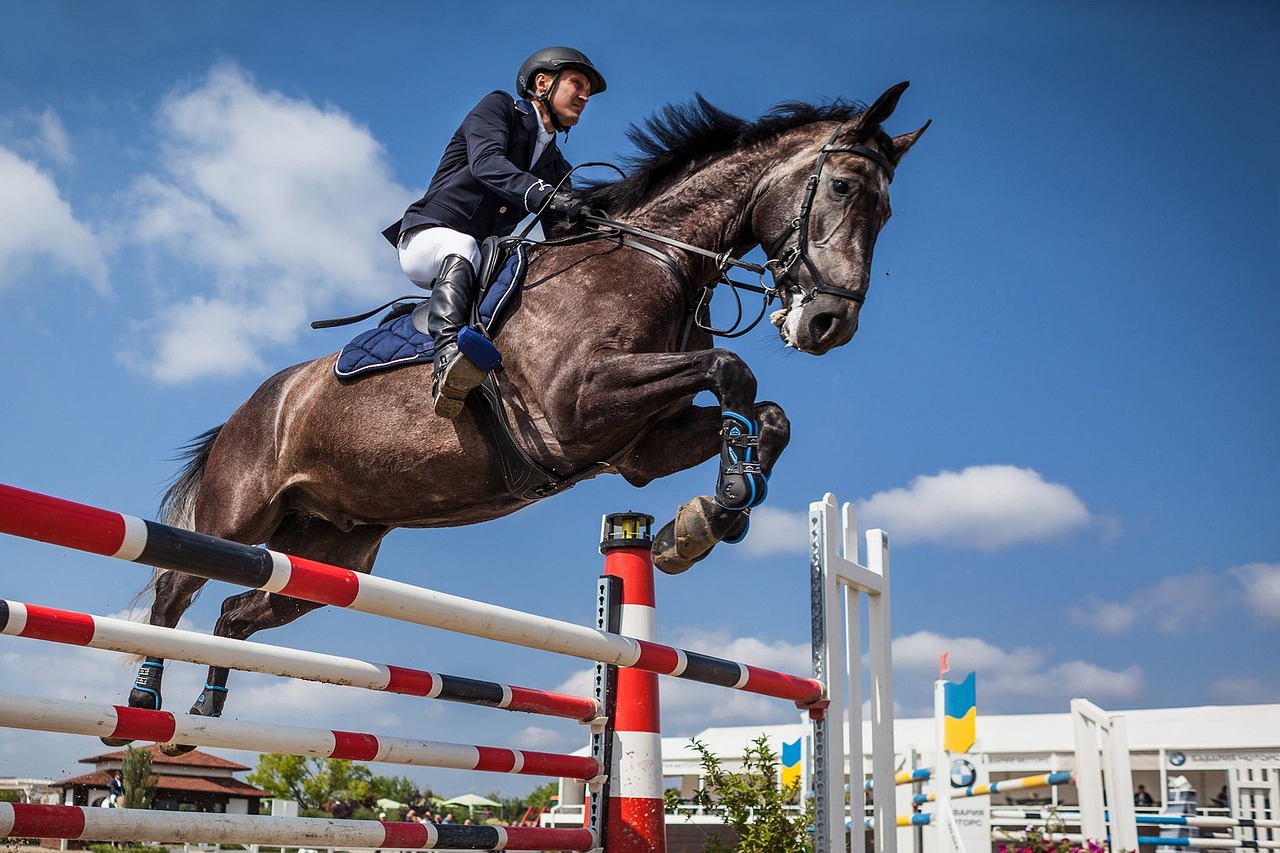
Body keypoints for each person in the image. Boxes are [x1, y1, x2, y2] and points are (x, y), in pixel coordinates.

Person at [382, 46, 607, 420]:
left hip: (483, 258)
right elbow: (487, 164)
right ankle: (448, 356)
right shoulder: (498, 107)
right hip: (428, 237)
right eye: (577, 83)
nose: (585, 96)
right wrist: (545, 195)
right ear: (542, 82)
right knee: (463, 244)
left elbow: (560, 237)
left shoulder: (557, 164)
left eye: (588, 90)